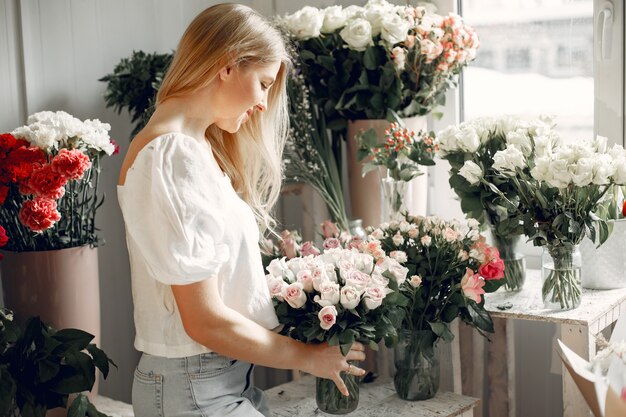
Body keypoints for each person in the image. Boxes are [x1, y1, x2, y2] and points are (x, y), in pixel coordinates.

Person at [116, 4, 366, 417]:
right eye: (264, 83)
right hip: (194, 386)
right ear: (227, 65)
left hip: (217, 381)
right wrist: (307, 357)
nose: (265, 104)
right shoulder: (172, 153)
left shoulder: (194, 148)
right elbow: (204, 322)